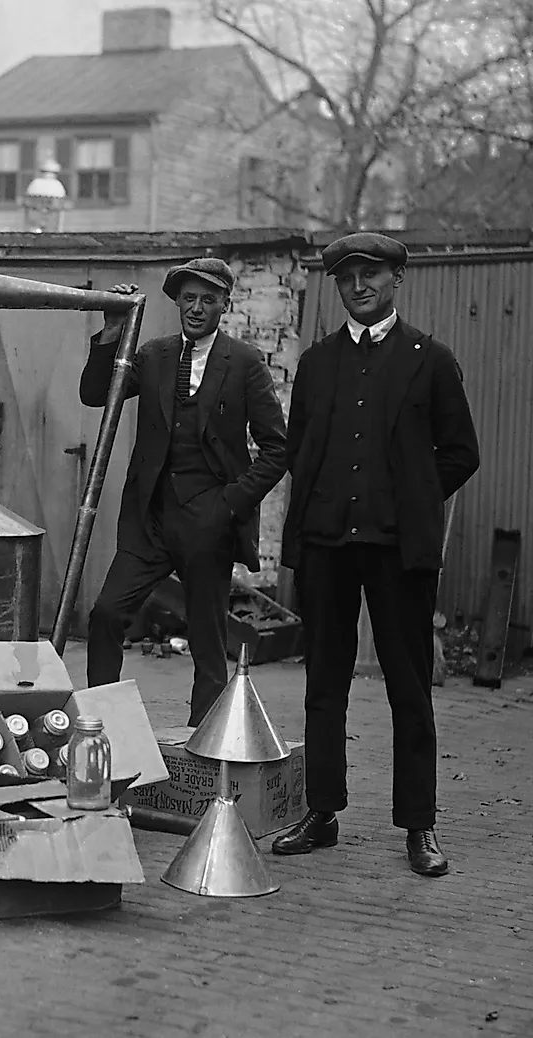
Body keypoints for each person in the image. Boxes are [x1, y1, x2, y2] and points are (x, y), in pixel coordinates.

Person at [273, 233, 479, 877]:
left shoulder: (431, 360)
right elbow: (302, 451)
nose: (359, 286)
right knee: (323, 687)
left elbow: (460, 452)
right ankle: (321, 812)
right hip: (327, 548)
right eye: (347, 278)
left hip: (397, 552)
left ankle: (420, 826)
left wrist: (413, 499)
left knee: (409, 689)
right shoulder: (317, 363)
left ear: (396, 279)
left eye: (371, 274)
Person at [81, 258, 287, 724]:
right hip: (149, 521)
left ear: (224, 306)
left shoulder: (245, 364)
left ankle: (203, 752)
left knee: (209, 642)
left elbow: (278, 450)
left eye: (208, 300)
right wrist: (112, 330)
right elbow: (97, 393)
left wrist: (227, 505)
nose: (196, 308)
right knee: (107, 615)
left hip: (208, 524)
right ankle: (103, 728)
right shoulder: (153, 355)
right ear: (177, 302)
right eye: (189, 298)